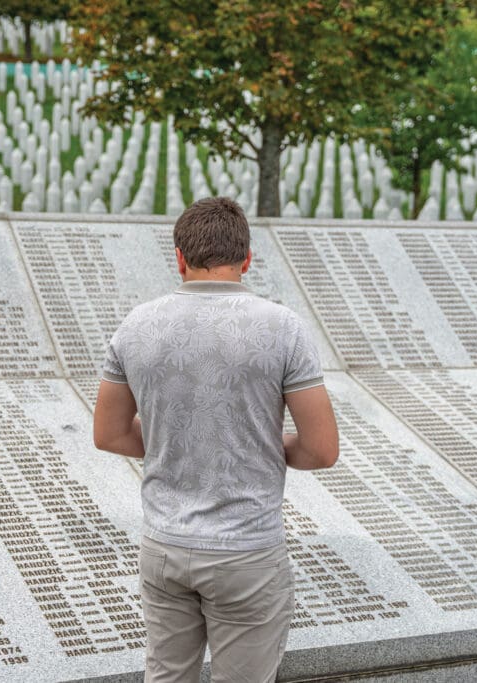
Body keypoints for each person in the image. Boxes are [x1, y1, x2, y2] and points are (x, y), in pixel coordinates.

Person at [93, 196, 339, 682]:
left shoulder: (136, 326)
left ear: (179, 258)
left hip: (164, 546)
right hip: (246, 550)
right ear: (247, 259)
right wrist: (263, 444)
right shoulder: (282, 328)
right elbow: (321, 449)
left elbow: (110, 434)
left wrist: (175, 441)